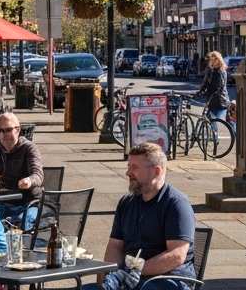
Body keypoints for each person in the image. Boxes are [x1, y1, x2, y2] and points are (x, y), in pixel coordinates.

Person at [89, 142, 195, 290]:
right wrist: (110, 272)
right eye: (129, 166)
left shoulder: (176, 203)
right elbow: (115, 246)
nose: (128, 173)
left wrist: (134, 272)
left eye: (135, 167)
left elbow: (176, 255)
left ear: (156, 171)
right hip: (130, 279)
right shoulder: (127, 202)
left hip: (169, 280)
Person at [0, 112, 42, 226]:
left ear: (17, 130)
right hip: (3, 200)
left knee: (22, 222)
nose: (3, 134)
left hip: (27, 201)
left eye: (8, 130)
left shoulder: (29, 148)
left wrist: (29, 181)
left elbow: (38, 175)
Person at [194, 51, 229, 121]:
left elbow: (215, 88)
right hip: (219, 101)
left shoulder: (217, 72)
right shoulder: (219, 70)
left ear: (215, 60)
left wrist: (201, 94)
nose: (208, 63)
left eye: (210, 61)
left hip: (218, 102)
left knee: (216, 122)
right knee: (213, 120)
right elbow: (207, 83)